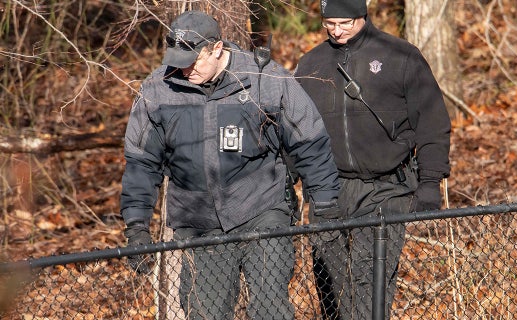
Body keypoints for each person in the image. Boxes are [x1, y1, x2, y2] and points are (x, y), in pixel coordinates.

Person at [120, 10, 341, 320]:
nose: (184, 70)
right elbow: (141, 163)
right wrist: (136, 226)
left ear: (218, 49)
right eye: (178, 61)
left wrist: (326, 203)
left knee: (270, 309)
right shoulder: (158, 89)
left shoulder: (265, 78)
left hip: (262, 207)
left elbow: (310, 141)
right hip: (199, 222)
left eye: (193, 61)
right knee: (206, 312)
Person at [295, 0, 451, 319]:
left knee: (369, 282)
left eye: (345, 23)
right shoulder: (311, 64)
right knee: (331, 283)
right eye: (329, 24)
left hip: (387, 188)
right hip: (329, 187)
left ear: (362, 16)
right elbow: (296, 131)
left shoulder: (401, 55)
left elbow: (433, 122)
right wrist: (289, 181)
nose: (337, 31)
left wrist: (430, 182)